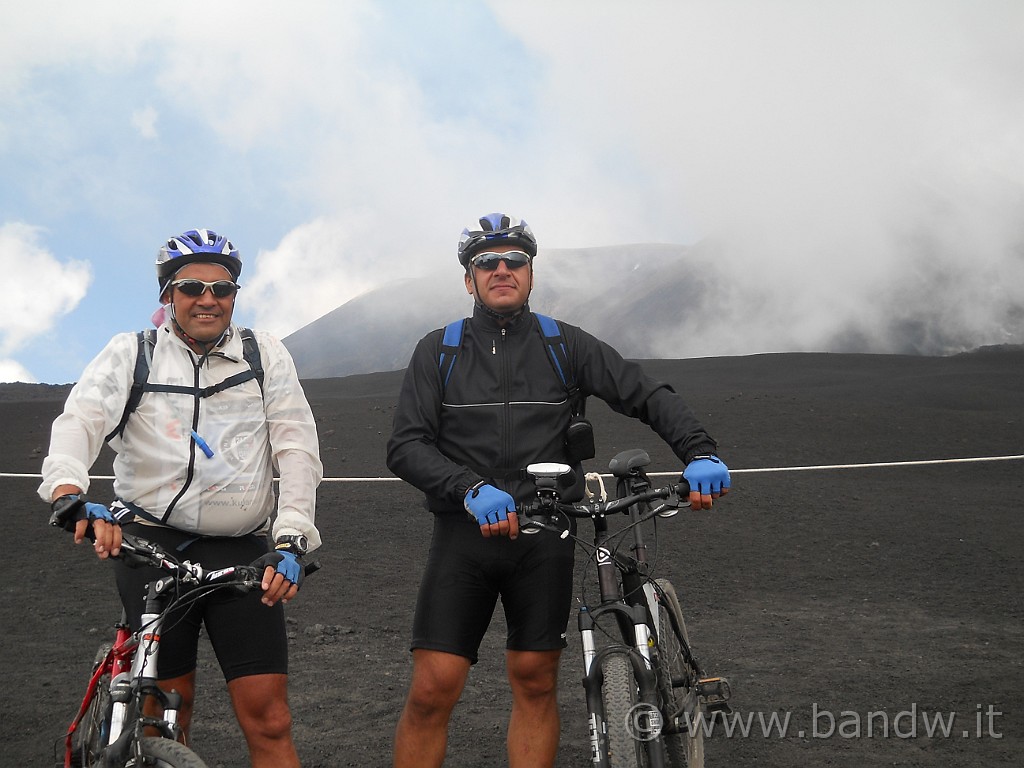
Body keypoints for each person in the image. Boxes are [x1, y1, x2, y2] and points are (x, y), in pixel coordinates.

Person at [386, 212, 731, 767]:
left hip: (546, 534)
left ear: (530, 272)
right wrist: (470, 489)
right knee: (433, 687)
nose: (503, 270)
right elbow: (405, 445)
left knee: (535, 680)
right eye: (487, 262)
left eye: (515, 260)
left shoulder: (563, 344)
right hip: (464, 533)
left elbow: (645, 393)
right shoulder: (440, 351)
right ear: (468, 278)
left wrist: (700, 451)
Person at [39, 228, 323, 768]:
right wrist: (69, 490)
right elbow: (80, 421)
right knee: (166, 711)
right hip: (150, 546)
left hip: (242, 551)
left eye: (223, 288)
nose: (208, 299)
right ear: (167, 295)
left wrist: (291, 537)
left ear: (235, 295)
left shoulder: (264, 357)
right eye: (192, 287)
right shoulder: (132, 353)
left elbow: (297, 450)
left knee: (270, 717)